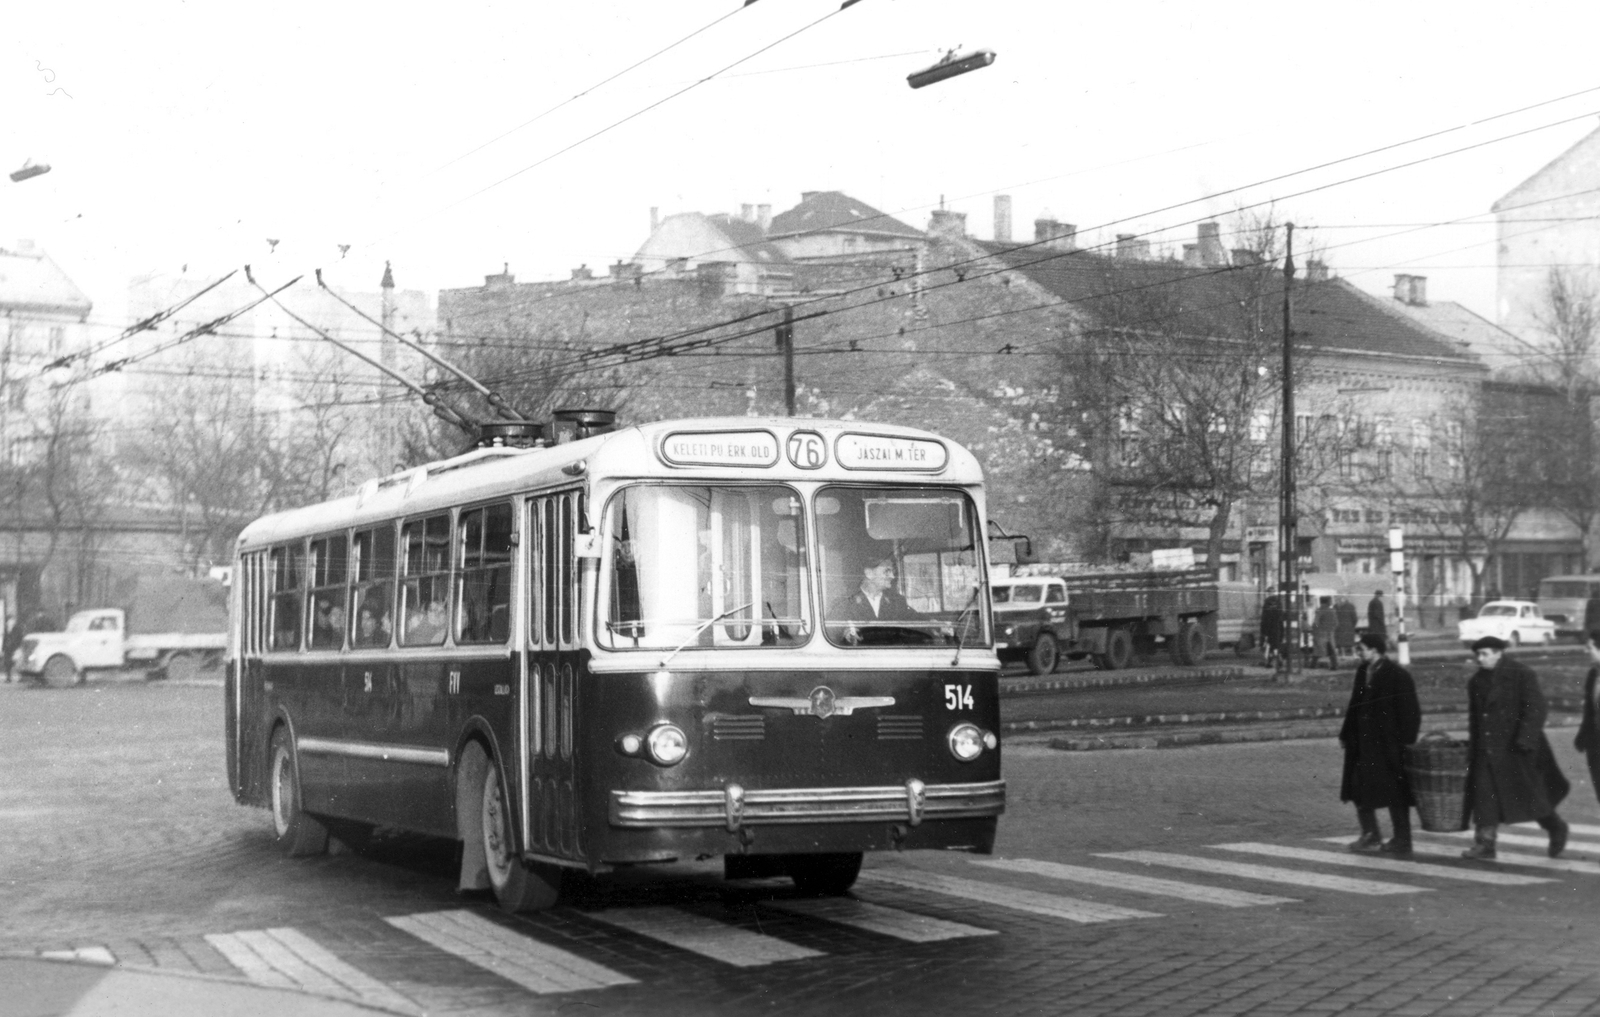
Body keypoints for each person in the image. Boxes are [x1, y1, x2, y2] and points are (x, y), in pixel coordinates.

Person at [1461, 635, 1570, 861]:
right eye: (1478, 655)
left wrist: (1525, 740)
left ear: (1499, 653)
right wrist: (1473, 748)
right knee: (1485, 797)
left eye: (1485, 654)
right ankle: (1485, 844)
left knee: (1529, 797)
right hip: (1486, 750)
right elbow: (1475, 719)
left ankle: (1555, 826)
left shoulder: (1522, 674)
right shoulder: (1476, 682)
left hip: (1516, 749)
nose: (1480, 659)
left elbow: (1536, 708)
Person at [1340, 632, 1421, 858]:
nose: (1359, 652)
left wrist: (1404, 742)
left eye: (1362, 648)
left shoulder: (1397, 675)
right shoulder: (1363, 671)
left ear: (1375, 649)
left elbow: (1410, 713)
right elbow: (1355, 703)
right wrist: (1346, 733)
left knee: (1396, 793)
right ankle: (1370, 833)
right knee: (1357, 787)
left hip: (1388, 746)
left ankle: (1402, 839)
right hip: (1361, 743)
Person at [830, 556, 923, 645]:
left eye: (892, 571)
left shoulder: (897, 601)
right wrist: (844, 632)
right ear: (869, 573)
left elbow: (915, 620)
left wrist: (932, 622)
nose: (892, 576)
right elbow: (830, 633)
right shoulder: (844, 602)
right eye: (887, 571)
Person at [1573, 631, 1600, 825]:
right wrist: (1583, 734)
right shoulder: (1593, 673)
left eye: (1589, 647)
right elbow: (1589, 709)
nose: (1586, 651)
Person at [1313, 595, 1339, 670]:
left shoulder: (1319, 610)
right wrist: (1332, 629)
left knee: (1317, 650)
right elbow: (1336, 623)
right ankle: (1334, 665)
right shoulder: (1332, 611)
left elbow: (1316, 623)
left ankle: (1313, 664)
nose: (1331, 602)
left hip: (1321, 633)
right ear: (1327, 602)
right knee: (1331, 650)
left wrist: (1318, 629)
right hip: (1330, 633)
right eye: (1330, 601)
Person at [1259, 596, 1284, 666]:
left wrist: (1263, 632)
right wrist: (1282, 633)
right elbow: (1281, 621)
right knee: (1275, 646)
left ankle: (1269, 661)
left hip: (1269, 630)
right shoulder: (1279, 609)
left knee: (1269, 646)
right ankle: (1277, 658)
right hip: (1277, 629)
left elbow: (1264, 621)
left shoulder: (1266, 609)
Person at [1, 615, 20, 682]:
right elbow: (4, 639)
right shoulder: (7, 628)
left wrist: (18, 647)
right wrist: (3, 649)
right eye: (8, 621)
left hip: (14, 648)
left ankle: (20, 676)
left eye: (11, 620)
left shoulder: (17, 628)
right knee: (7, 663)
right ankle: (8, 677)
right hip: (7, 648)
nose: (9, 622)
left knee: (15, 662)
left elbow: (19, 638)